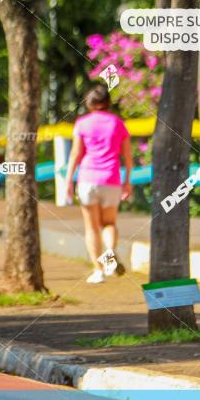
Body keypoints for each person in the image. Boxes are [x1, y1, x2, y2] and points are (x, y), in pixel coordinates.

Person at [65, 84, 132, 284]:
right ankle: (110, 253)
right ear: (108, 103)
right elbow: (127, 156)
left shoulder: (82, 123)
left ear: (89, 103)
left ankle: (99, 271)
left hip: (87, 179)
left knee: (92, 228)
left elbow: (76, 154)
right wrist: (128, 181)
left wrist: (69, 180)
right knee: (109, 224)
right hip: (111, 179)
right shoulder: (118, 123)